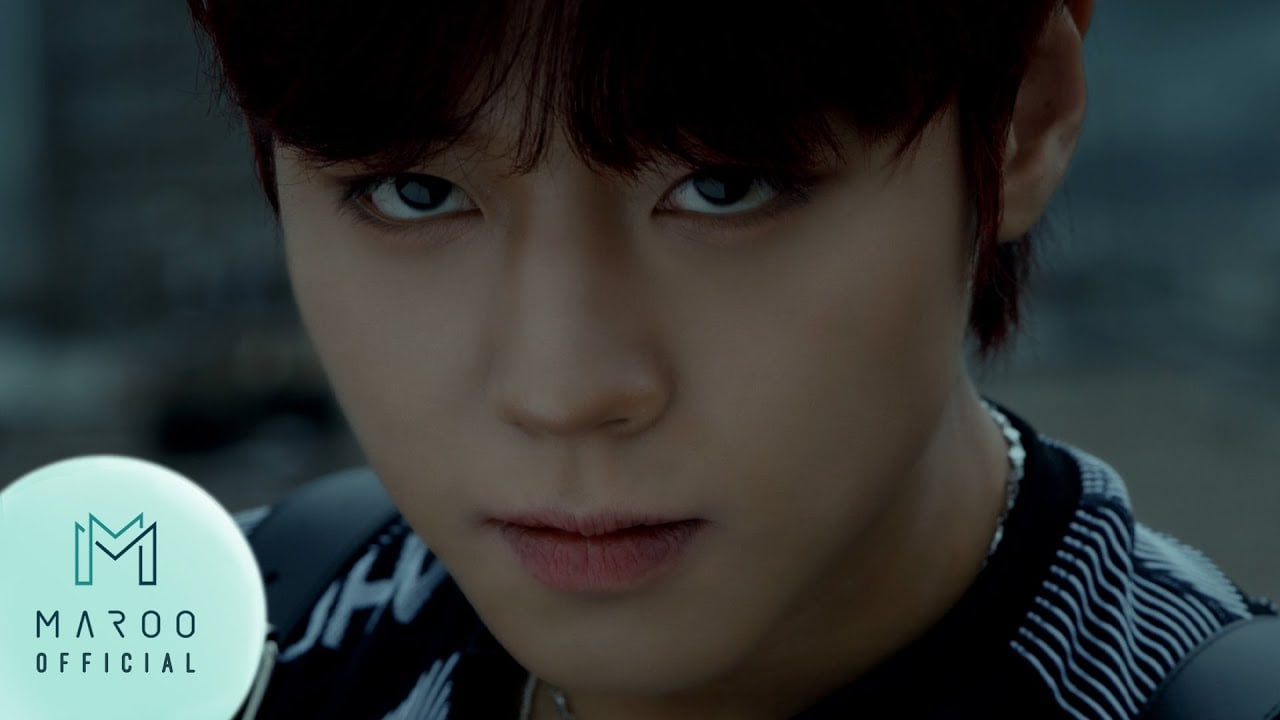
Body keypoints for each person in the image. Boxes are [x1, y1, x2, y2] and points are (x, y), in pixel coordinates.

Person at [189, 1, 1276, 718]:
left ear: (1019, 118)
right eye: (413, 193)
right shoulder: (225, 650)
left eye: (723, 187)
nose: (562, 390)